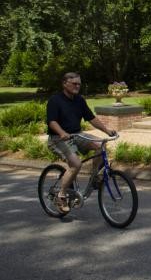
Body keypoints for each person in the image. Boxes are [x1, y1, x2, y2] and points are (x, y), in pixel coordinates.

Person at [47, 72, 117, 214]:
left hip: (77, 135)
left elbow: (91, 118)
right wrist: (62, 133)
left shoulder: (79, 100)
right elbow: (52, 121)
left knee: (101, 146)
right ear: (65, 83)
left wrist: (107, 131)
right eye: (74, 84)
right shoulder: (55, 100)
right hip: (58, 138)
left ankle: (95, 177)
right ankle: (61, 195)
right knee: (76, 164)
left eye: (79, 84)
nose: (77, 86)